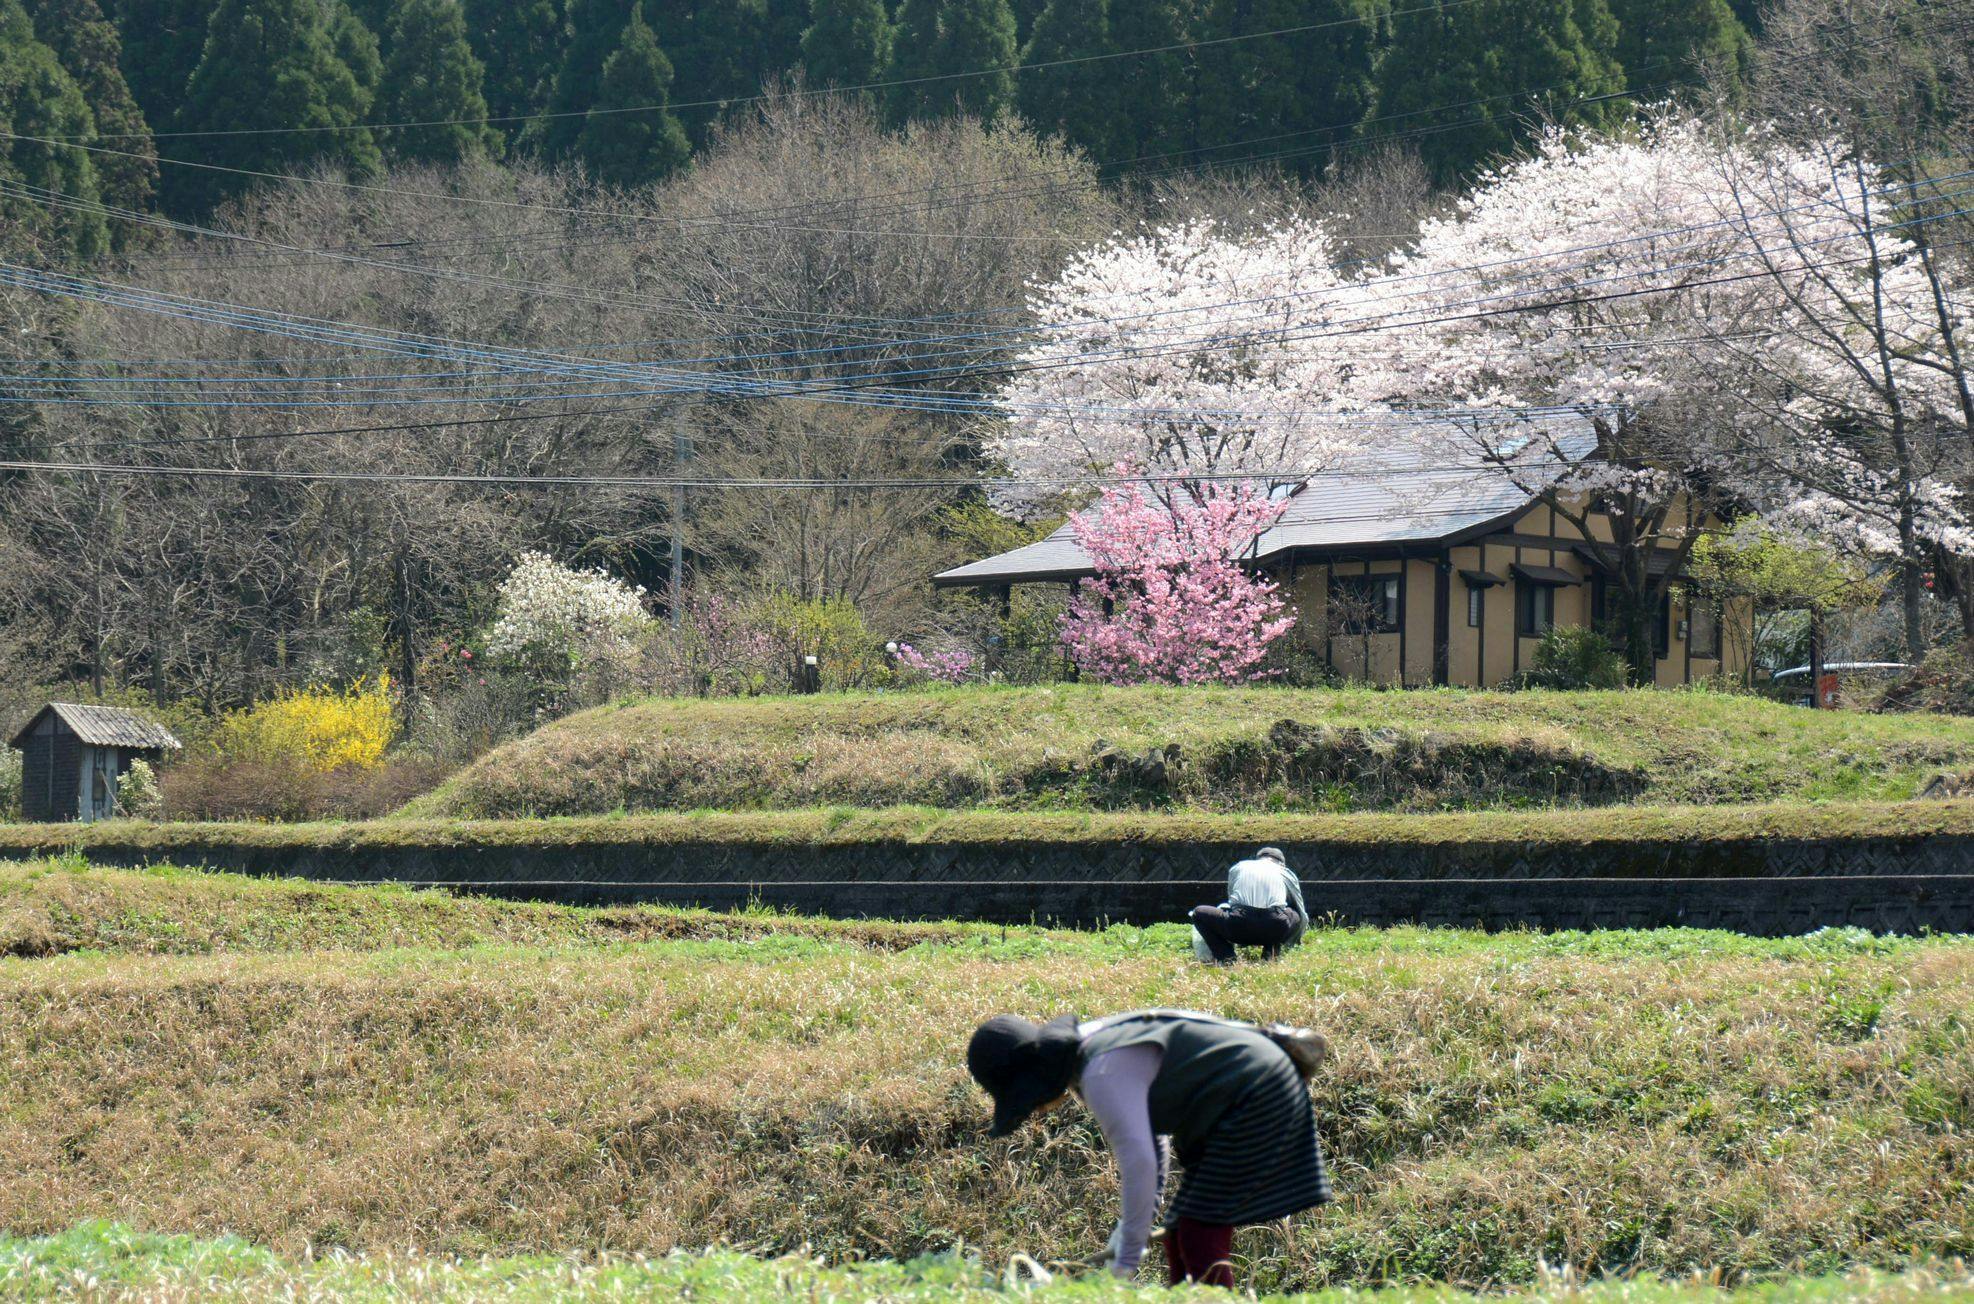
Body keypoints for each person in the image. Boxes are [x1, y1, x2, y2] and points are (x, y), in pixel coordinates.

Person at [966, 1008, 1332, 1288]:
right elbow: (1153, 1140)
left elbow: (1138, 1160)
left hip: (1256, 1091)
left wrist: (1124, 1262)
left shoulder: (1101, 1069)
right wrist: (1135, 1224)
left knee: (1198, 1231)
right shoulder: (1089, 1052)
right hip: (1238, 1096)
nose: (1034, 1108)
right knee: (1179, 1232)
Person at [1190, 846, 1307, 964]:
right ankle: (1270, 952)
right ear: (1281, 863)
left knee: (1198, 913)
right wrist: (1296, 938)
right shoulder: (1285, 873)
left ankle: (1226, 957)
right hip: (1274, 928)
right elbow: (1301, 909)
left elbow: (1232, 900)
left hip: (1237, 927)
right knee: (1295, 913)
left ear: (1258, 859)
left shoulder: (1239, 867)